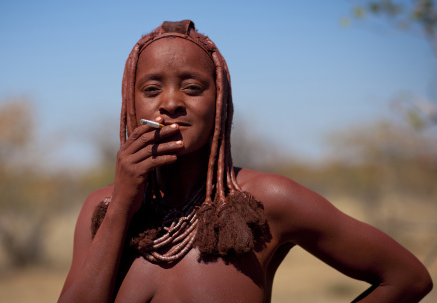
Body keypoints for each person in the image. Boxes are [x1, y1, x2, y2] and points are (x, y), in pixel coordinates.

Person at [58, 20, 432, 303]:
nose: (170, 102)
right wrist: (123, 203)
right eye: (151, 89)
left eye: (192, 87)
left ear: (219, 103)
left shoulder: (265, 200)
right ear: (131, 104)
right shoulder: (102, 208)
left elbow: (406, 278)